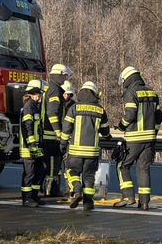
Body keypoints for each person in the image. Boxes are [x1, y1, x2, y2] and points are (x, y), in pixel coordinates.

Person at [113, 66, 162, 210]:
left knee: (122, 165)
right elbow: (159, 117)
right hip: (149, 139)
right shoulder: (152, 92)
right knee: (143, 168)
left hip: (134, 138)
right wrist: (153, 133)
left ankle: (128, 197)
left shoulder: (131, 92)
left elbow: (130, 115)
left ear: (127, 79)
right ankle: (144, 202)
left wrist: (121, 126)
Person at [58, 80, 110, 213]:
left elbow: (66, 128)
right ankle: (88, 203)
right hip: (92, 151)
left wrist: (63, 143)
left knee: (72, 172)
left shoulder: (74, 108)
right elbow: (105, 131)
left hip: (75, 150)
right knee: (89, 176)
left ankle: (76, 190)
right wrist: (109, 136)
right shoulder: (100, 109)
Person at [41, 63, 73, 197]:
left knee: (54, 164)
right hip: (51, 136)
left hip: (50, 134)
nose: (65, 78)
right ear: (58, 75)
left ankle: (52, 189)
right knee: (53, 165)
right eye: (64, 76)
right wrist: (58, 132)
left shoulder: (52, 89)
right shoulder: (54, 90)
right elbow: (52, 113)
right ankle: (51, 190)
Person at [18, 79, 47, 208]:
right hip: (29, 147)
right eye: (39, 93)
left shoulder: (34, 106)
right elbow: (27, 126)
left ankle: (34, 196)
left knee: (40, 171)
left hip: (36, 146)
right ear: (34, 94)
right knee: (29, 173)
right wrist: (31, 144)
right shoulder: (29, 106)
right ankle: (26, 198)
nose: (40, 96)